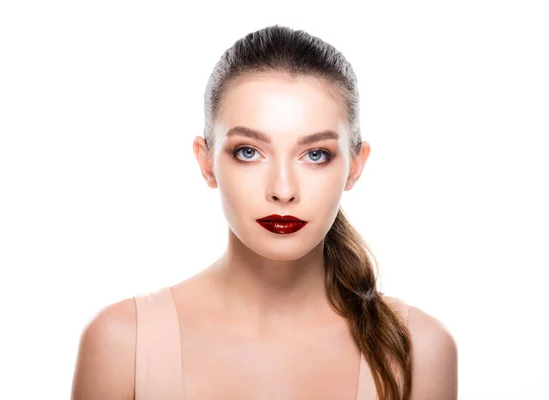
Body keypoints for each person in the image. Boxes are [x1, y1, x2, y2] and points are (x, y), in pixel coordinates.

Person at [71, 24, 458, 400]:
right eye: (249, 152)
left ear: (356, 166)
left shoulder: (420, 350)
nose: (283, 190)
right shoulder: (123, 344)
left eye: (315, 154)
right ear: (206, 162)